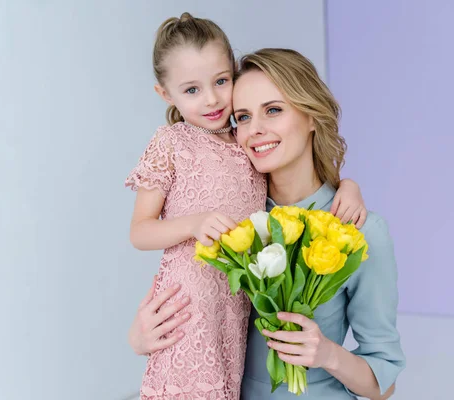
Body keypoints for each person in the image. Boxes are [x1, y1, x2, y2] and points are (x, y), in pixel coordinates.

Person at [125, 13, 367, 399]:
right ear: (165, 95)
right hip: (187, 305)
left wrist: (349, 186)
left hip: (233, 309)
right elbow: (140, 230)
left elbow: (299, 182)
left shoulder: (244, 139)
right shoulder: (172, 144)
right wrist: (194, 223)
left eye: (221, 81)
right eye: (191, 90)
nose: (211, 99)